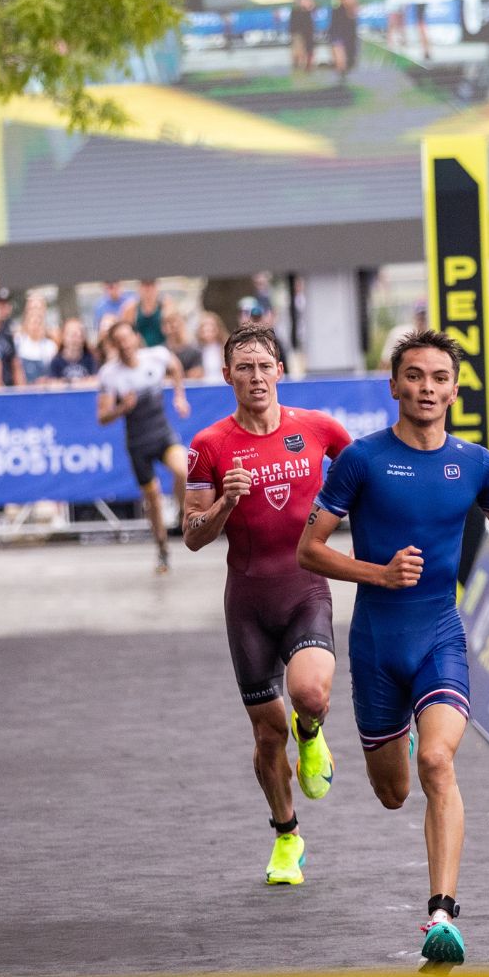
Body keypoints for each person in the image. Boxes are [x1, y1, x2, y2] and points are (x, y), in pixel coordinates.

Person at [297, 330, 489, 965]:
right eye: (415, 376)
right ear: (395, 385)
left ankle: (442, 914)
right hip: (376, 643)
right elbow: (309, 549)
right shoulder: (362, 461)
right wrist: (377, 573)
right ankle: (381, 734)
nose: (427, 388)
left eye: (438, 378)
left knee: (438, 764)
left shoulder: (478, 464)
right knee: (394, 792)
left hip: (439, 633)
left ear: (455, 390)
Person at [182, 327, 351, 885]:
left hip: (305, 588)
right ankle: (287, 837)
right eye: (243, 367)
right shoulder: (209, 445)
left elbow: (366, 483)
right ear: (227, 375)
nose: (255, 377)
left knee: (310, 693)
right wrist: (227, 501)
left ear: (281, 369)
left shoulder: (319, 430)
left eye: (264, 365)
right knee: (264, 735)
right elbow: (192, 535)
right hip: (248, 601)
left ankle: (313, 731)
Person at [96, 322, 190, 573]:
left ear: (136, 338)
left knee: (184, 470)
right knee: (153, 500)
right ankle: (162, 549)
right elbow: (102, 417)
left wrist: (180, 395)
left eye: (128, 338)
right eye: (119, 341)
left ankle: (184, 515)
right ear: (114, 346)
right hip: (138, 443)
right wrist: (121, 408)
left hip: (162, 433)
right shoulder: (109, 374)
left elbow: (176, 366)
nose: (125, 345)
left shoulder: (156, 356)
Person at [327, 0, 361, 80]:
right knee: (342, 64)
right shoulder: (337, 13)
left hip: (348, 40)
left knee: (348, 64)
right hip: (339, 36)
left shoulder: (353, 12)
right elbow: (336, 39)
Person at [48, 319, 99, 383]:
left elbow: (94, 380)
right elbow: (53, 382)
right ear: (63, 337)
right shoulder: (56, 361)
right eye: (72, 335)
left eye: (78, 335)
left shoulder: (90, 359)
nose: (75, 340)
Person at [289, 0, 317, 73]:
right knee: (298, 47)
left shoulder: (308, 11)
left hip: (307, 31)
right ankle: (298, 67)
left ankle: (307, 68)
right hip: (298, 31)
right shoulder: (295, 10)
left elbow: (313, 7)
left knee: (308, 48)